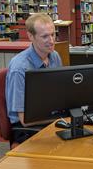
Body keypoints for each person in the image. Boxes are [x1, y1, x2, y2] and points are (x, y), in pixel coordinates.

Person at [6, 13, 62, 142]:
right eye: (45, 36)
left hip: (51, 117)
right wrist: (63, 117)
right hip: (28, 129)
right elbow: (25, 120)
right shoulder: (19, 68)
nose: (52, 41)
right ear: (31, 36)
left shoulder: (54, 56)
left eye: (53, 34)